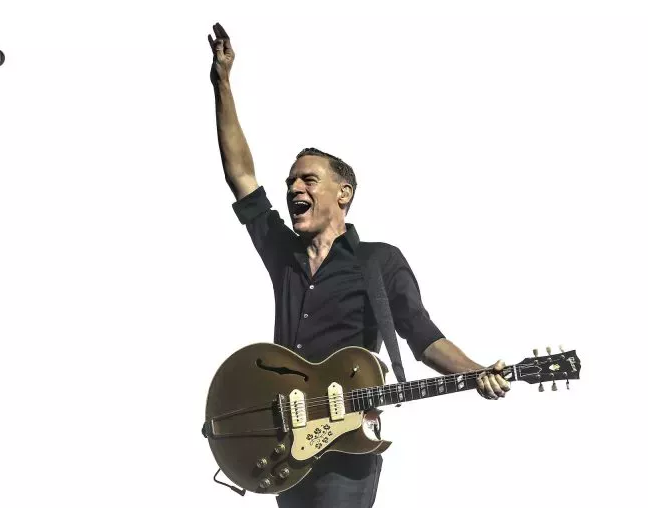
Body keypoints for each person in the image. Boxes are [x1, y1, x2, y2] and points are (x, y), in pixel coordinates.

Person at [207, 22, 511, 508]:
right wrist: (222, 82)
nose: (294, 188)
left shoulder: (379, 261)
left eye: (308, 180)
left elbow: (423, 336)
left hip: (348, 450)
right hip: (287, 448)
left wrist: (476, 371)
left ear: (343, 193)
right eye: (290, 183)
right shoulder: (284, 253)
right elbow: (240, 174)